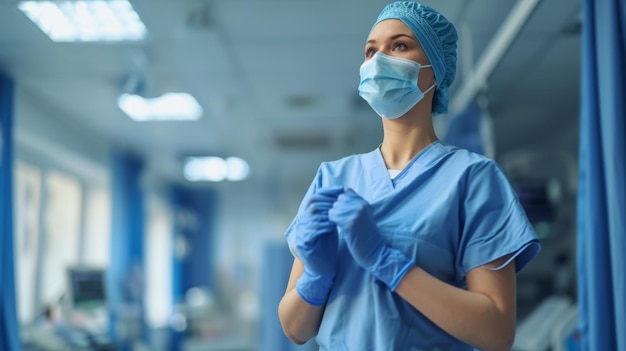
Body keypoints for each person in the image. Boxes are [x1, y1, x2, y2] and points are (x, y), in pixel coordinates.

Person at [277, 2, 541, 350]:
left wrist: (385, 261)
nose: (378, 60)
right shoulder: (333, 178)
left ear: (435, 70)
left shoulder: (473, 179)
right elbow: (296, 330)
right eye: (371, 50)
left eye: (399, 45)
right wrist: (317, 275)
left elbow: (496, 332)